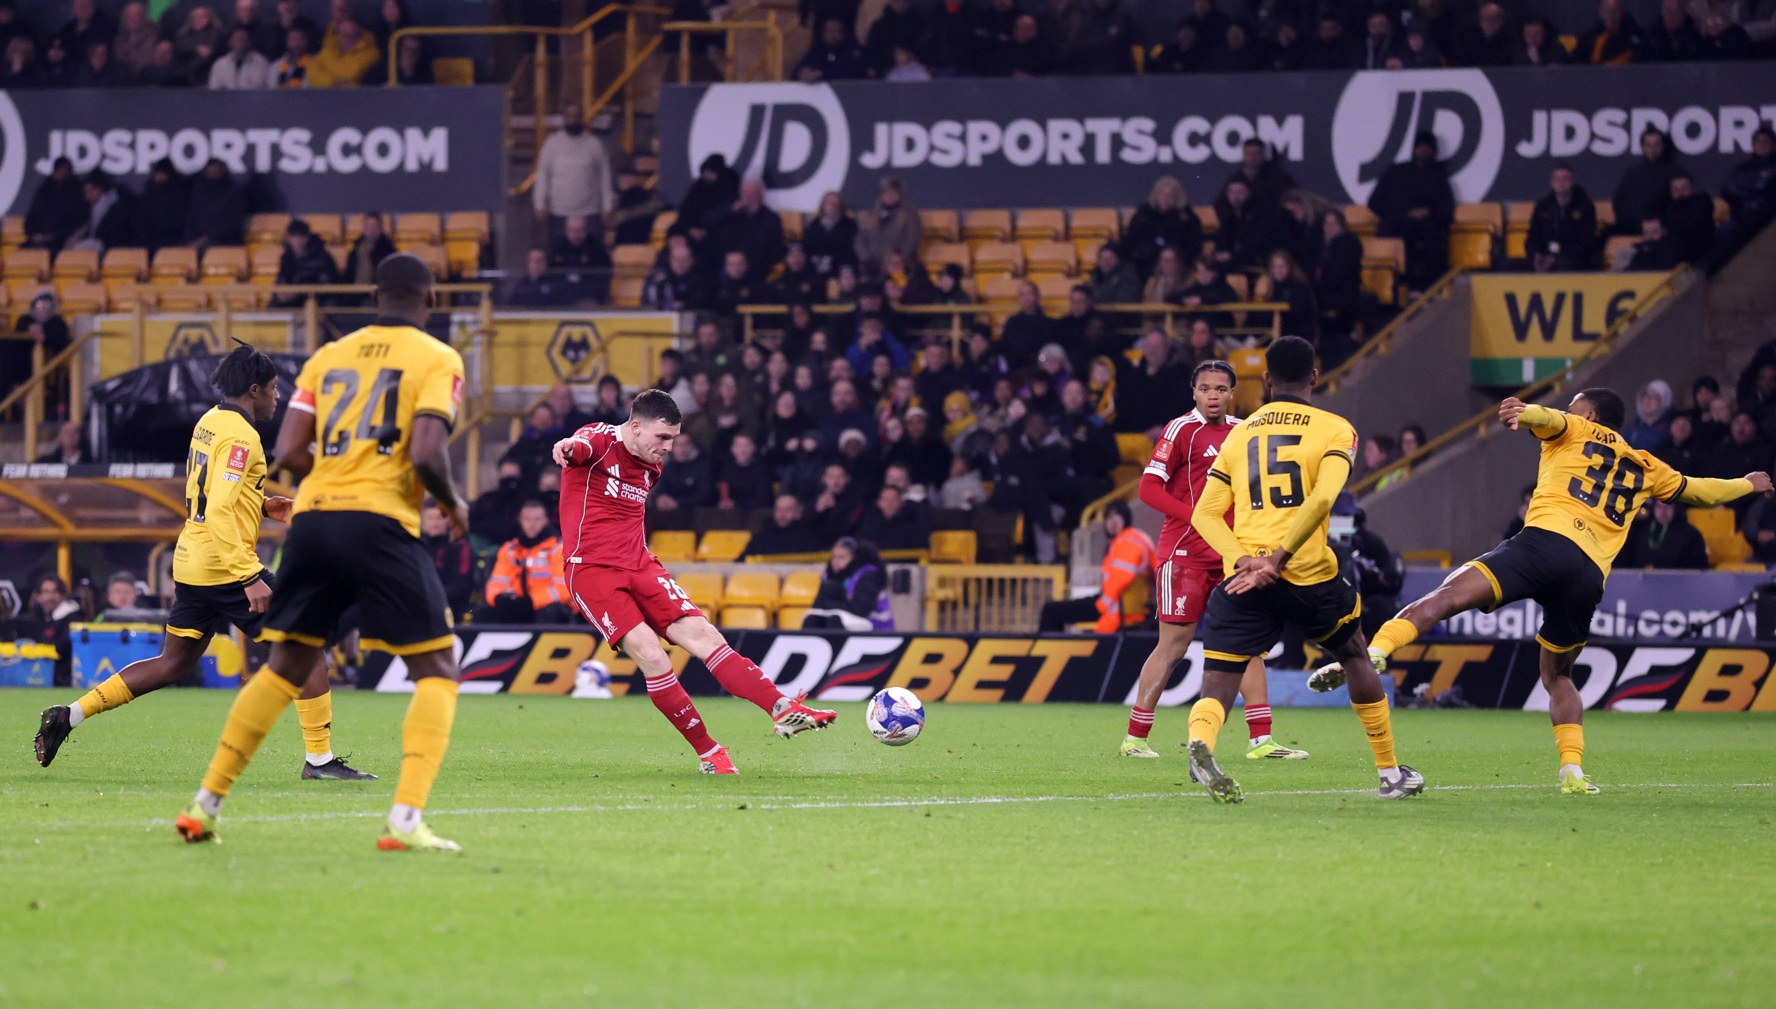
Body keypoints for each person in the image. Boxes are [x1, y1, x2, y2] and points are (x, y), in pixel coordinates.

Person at [1314, 388, 1772, 795]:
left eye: (1576, 405)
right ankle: (1572, 772)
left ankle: (1377, 651)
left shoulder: (1574, 427)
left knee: (1445, 598)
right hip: (1589, 573)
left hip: (1543, 544)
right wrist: (1748, 484)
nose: (1569, 409)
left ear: (1591, 416)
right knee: (1557, 674)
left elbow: (1549, 419)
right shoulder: (1644, 463)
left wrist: (1523, 411)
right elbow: (1701, 492)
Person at [172, 254, 472, 851]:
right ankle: (405, 822)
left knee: (284, 665)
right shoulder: (439, 358)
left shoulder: (328, 356)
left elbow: (288, 447)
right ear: (431, 299)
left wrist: (334, 476)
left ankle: (204, 807)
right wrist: (454, 504)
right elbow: (429, 453)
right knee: (437, 668)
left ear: (371, 295)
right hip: (380, 522)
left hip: (314, 519)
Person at [34, 343, 373, 781]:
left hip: (193, 562)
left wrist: (262, 503)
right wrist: (249, 575)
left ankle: (69, 715)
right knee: (307, 650)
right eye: (272, 389)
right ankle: (320, 761)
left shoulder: (210, 422)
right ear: (254, 389)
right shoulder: (242, 436)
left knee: (173, 662)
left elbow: (216, 494)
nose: (276, 398)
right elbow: (218, 509)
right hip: (223, 566)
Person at [551, 391, 838, 773]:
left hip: (641, 564)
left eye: (674, 439)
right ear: (635, 427)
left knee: (707, 636)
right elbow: (579, 447)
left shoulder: (652, 467)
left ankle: (782, 708)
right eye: (663, 438)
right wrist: (567, 446)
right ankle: (710, 753)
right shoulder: (600, 441)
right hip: (592, 569)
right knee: (652, 654)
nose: (668, 448)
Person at [1118, 359, 1308, 759]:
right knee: (1173, 645)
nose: (1213, 396)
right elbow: (1149, 489)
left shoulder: (1244, 432)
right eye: (1205, 388)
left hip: (1231, 555)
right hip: (1184, 551)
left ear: (1232, 392)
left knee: (1245, 645)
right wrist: (1199, 518)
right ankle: (1135, 739)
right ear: (1194, 392)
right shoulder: (1180, 430)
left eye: (1221, 389)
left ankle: (1261, 740)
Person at [1037, 500, 1154, 632]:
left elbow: (1122, 578)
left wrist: (1102, 604)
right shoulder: (1138, 538)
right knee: (1056, 609)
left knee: (1051, 611)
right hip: (1116, 603)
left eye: (1118, 517)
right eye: (1109, 517)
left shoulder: (1126, 542)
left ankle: (1049, 652)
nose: (1113, 522)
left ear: (1126, 520)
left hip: (1114, 607)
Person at [1367, 130, 1454, 291]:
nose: (1423, 151)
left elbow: (1447, 210)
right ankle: (1402, 284)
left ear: (1434, 152)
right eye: (1420, 147)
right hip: (1398, 226)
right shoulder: (1396, 172)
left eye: (1428, 148)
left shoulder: (1439, 178)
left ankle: (1430, 286)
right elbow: (1374, 202)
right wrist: (1403, 214)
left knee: (1433, 234)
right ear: (1413, 149)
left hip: (1429, 229)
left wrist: (1427, 213)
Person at [533, 103, 617, 243]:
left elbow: (605, 176)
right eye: (569, 116)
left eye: (576, 116)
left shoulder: (594, 144)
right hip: (558, 213)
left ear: (582, 118)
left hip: (590, 212)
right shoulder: (551, 144)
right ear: (564, 119)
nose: (573, 120)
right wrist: (539, 204)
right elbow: (542, 175)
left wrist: (607, 206)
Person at [477, 500, 572, 624]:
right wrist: (498, 598)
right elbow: (496, 582)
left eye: (537, 519)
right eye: (527, 519)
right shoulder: (509, 549)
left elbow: (564, 589)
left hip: (551, 607)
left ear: (546, 520)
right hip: (518, 605)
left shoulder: (558, 549)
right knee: (484, 614)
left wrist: (531, 601)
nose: (532, 524)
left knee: (548, 612)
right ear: (520, 520)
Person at [802, 537, 892, 630]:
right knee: (812, 620)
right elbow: (818, 606)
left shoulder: (867, 575)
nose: (836, 562)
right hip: (848, 620)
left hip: (876, 627)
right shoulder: (829, 576)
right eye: (834, 557)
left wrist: (833, 602)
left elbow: (860, 610)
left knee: (836, 620)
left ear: (853, 558)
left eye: (841, 557)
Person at [1526, 164, 1600, 271]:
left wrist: (1556, 256)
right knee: (1509, 265)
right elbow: (1532, 236)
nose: (1561, 183)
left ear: (1572, 181)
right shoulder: (1543, 206)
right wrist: (1536, 255)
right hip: (1545, 255)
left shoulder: (1585, 207)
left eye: (1565, 179)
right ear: (1552, 182)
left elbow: (1586, 242)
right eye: (1557, 179)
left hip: (1576, 258)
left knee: (1564, 263)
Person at [854, 177, 922, 278]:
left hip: (897, 265)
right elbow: (860, 239)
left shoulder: (909, 215)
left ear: (900, 195)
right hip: (872, 265)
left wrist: (898, 256)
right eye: (887, 193)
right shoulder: (871, 214)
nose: (890, 196)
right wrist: (866, 257)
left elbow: (912, 240)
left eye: (894, 193)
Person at [420, 500, 475, 621]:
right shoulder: (416, 545)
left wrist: (429, 594)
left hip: (451, 607)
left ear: (449, 520)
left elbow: (462, 586)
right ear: (423, 520)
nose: (435, 523)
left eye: (439, 518)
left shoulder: (460, 546)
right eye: (430, 518)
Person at [1619, 499, 1710, 569]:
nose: (1663, 512)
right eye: (1659, 507)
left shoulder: (1691, 535)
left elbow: (1696, 568)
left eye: (1668, 507)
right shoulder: (1640, 530)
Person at [270, 218, 339, 305]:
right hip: (293, 299)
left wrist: (298, 293)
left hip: (317, 300)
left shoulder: (323, 257)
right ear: (288, 238)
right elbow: (282, 278)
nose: (298, 241)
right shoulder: (286, 257)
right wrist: (281, 292)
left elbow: (326, 287)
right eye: (294, 236)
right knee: (275, 302)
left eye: (301, 236)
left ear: (307, 238)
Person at [184, 159, 247, 250]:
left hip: (226, 242)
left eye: (216, 171)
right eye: (210, 172)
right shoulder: (200, 191)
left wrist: (207, 238)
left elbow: (233, 224)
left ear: (222, 171)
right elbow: (192, 217)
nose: (212, 174)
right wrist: (190, 239)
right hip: (198, 241)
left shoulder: (233, 193)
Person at [550, 214, 613, 304]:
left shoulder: (596, 249)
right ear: (566, 231)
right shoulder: (558, 249)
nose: (576, 235)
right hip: (562, 297)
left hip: (588, 297)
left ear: (586, 230)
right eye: (573, 231)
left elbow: (603, 276)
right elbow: (551, 275)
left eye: (579, 231)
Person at [307, 15, 380, 86]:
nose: (347, 40)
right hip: (325, 95)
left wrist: (327, 69)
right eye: (344, 35)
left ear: (360, 36)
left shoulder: (370, 53)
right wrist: (331, 82)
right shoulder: (329, 49)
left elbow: (349, 74)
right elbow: (312, 73)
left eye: (352, 36)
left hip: (354, 96)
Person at [855, 483, 930, 551]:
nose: (889, 503)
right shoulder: (869, 525)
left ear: (901, 502)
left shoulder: (912, 523)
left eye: (893, 499)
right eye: (885, 499)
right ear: (878, 503)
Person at [747, 494, 824, 557]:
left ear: (798, 513)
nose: (782, 515)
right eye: (779, 510)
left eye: (787, 510)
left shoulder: (808, 538)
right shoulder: (761, 537)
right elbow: (742, 562)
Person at [345, 211, 398, 285]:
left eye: (374, 227)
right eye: (367, 227)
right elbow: (348, 274)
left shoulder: (388, 251)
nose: (370, 230)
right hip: (355, 291)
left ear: (381, 228)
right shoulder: (355, 249)